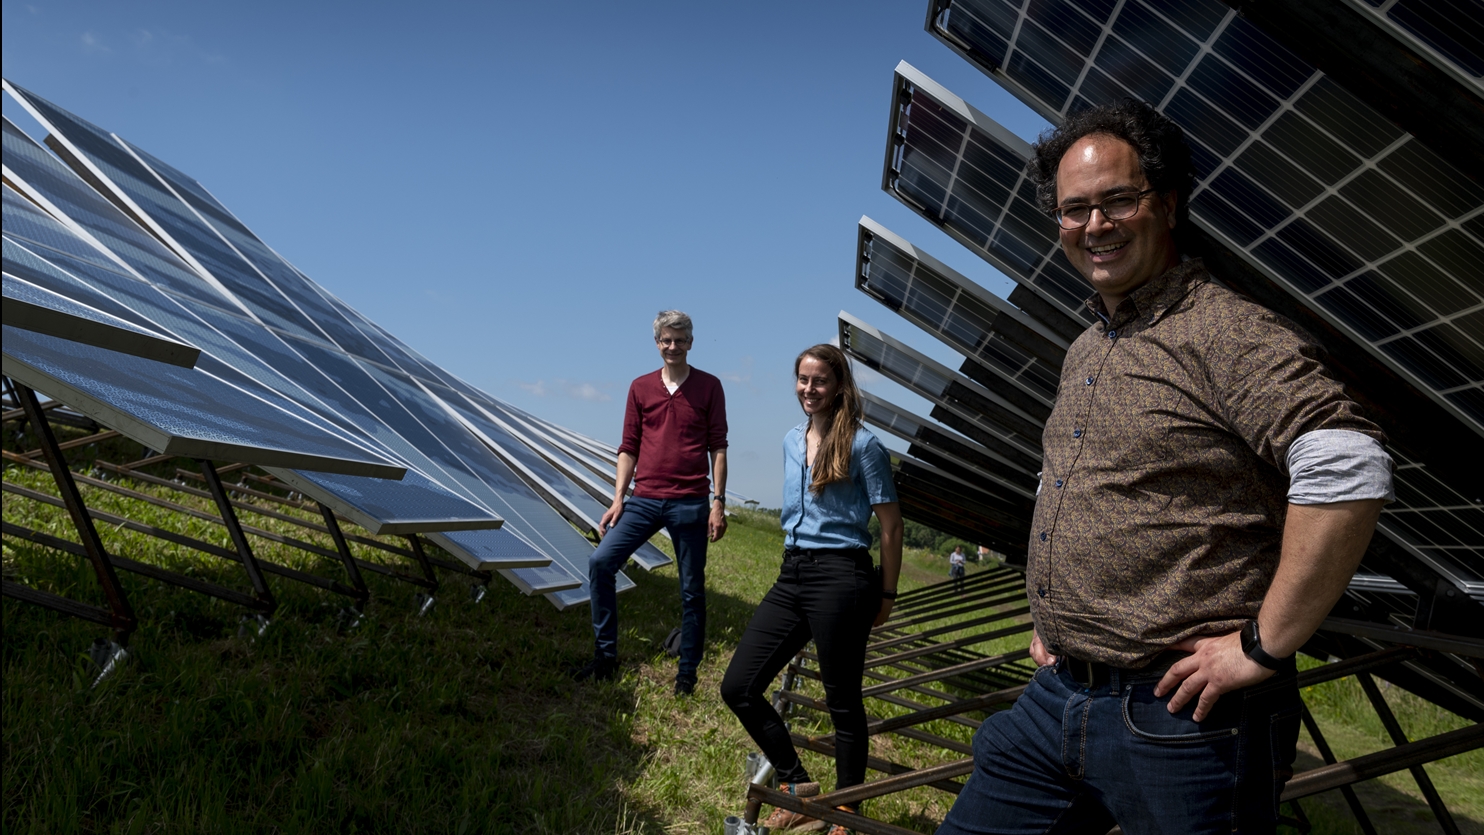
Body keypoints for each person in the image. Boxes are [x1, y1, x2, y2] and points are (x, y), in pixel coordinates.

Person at [934, 100, 1392, 834]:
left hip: (1182, 720)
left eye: (1118, 200)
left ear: (1169, 203)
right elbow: (1069, 479)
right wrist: (1056, 610)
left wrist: (1262, 645)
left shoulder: (1225, 330)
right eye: (1073, 209)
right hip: (1058, 698)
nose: (1094, 225)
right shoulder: (1087, 346)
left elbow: (1346, 463)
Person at [720, 344, 903, 835]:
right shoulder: (789, 440)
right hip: (793, 572)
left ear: (839, 385)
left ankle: (848, 809)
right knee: (738, 686)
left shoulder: (864, 446)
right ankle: (797, 786)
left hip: (843, 576)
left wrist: (886, 596)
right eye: (803, 379)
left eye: (819, 380)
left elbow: (890, 526)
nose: (809, 389)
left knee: (842, 699)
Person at [571, 310, 728, 696]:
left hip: (690, 501)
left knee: (692, 590)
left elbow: (718, 447)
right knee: (600, 562)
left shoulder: (710, 387)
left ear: (691, 342)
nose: (673, 346)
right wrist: (618, 498)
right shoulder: (640, 388)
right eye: (666, 340)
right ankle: (605, 658)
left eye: (680, 340)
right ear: (657, 343)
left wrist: (718, 502)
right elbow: (629, 447)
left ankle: (686, 674)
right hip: (643, 499)